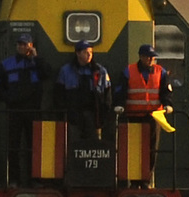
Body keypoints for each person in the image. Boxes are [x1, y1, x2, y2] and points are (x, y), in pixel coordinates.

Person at [0, 34, 46, 181]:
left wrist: (36, 59)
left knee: (35, 147)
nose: (22, 47)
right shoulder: (7, 64)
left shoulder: (37, 64)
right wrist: (9, 98)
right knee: (13, 147)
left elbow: (46, 74)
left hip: (33, 111)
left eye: (25, 44)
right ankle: (14, 180)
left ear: (31, 46)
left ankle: (34, 180)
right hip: (14, 111)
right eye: (20, 44)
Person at [122, 43, 172, 182]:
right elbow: (121, 91)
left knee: (151, 150)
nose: (150, 60)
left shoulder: (160, 72)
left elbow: (166, 92)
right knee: (132, 149)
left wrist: (168, 104)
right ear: (141, 57)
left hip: (153, 117)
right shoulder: (129, 71)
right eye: (148, 57)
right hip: (133, 116)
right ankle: (131, 179)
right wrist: (119, 106)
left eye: (153, 57)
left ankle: (146, 179)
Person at [56, 42, 116, 141]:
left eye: (91, 52)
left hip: (94, 116)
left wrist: (105, 112)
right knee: (72, 143)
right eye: (85, 52)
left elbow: (107, 94)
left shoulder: (100, 71)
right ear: (77, 53)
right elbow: (59, 94)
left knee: (94, 143)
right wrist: (65, 111)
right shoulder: (66, 71)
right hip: (73, 117)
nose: (89, 55)